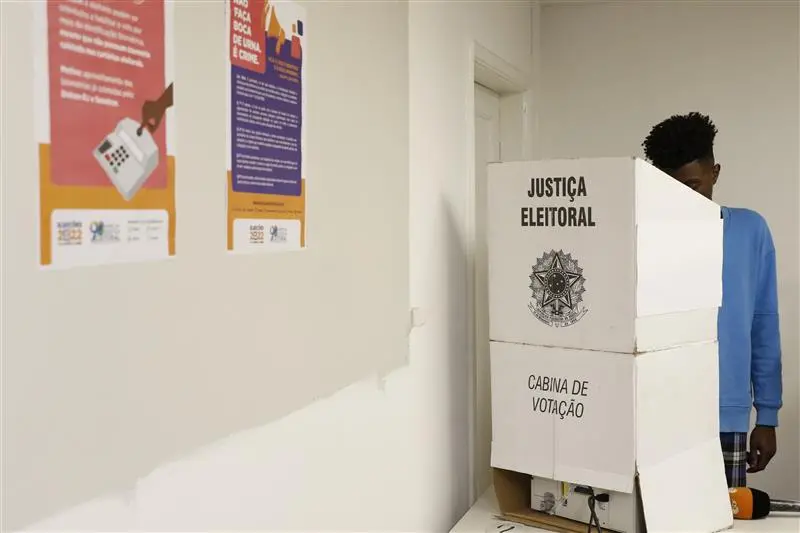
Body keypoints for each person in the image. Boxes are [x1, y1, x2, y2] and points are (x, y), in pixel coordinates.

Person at [642, 112, 783, 488]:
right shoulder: (644, 235)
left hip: (725, 416)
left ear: (714, 173)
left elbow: (764, 324)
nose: (684, 199)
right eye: (671, 188)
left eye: (693, 185)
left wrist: (767, 416)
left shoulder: (750, 230)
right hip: (655, 412)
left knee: (724, 514)